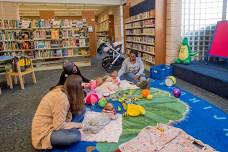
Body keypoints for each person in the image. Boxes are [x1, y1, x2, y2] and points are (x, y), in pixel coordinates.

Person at [32, 75, 85, 150]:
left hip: (58, 121)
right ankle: (70, 129)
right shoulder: (62, 99)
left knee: (82, 109)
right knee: (76, 135)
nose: (82, 88)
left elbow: (70, 109)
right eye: (81, 86)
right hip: (46, 131)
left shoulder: (64, 89)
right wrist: (79, 125)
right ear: (76, 90)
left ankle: (70, 128)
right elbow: (58, 126)